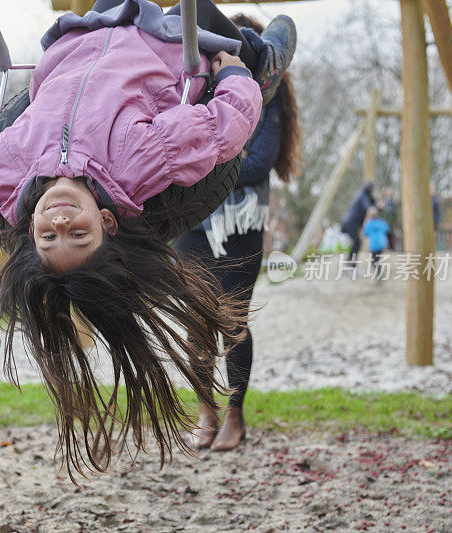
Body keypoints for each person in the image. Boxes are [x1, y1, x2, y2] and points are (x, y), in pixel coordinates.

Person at [0, 0, 296, 478]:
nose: (60, 222)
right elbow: (219, 130)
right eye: (78, 234)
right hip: (161, 42)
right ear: (107, 222)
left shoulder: (10, 172)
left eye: (49, 235)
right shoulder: (136, 163)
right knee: (221, 35)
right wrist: (235, 79)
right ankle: (263, 62)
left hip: (85, 34)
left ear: (32, 228)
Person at [173, 13, 301, 452]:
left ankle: (235, 414)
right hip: (190, 220)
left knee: (232, 321)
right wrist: (223, 149)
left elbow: (259, 161)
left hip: (240, 223)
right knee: (195, 322)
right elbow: (176, 147)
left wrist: (204, 156)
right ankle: (206, 410)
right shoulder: (191, 81)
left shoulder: (267, 91)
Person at [340, 182, 376, 268]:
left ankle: (349, 263)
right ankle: (351, 265)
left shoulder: (361, 195)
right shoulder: (363, 196)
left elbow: (370, 204)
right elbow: (368, 207)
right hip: (351, 223)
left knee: (356, 242)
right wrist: (374, 209)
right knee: (357, 242)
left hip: (349, 222)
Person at [362, 206, 390, 279]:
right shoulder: (381, 222)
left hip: (374, 245)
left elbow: (365, 233)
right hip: (382, 243)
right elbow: (387, 229)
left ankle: (379, 273)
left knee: (374, 261)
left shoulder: (369, 224)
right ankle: (380, 272)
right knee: (377, 258)